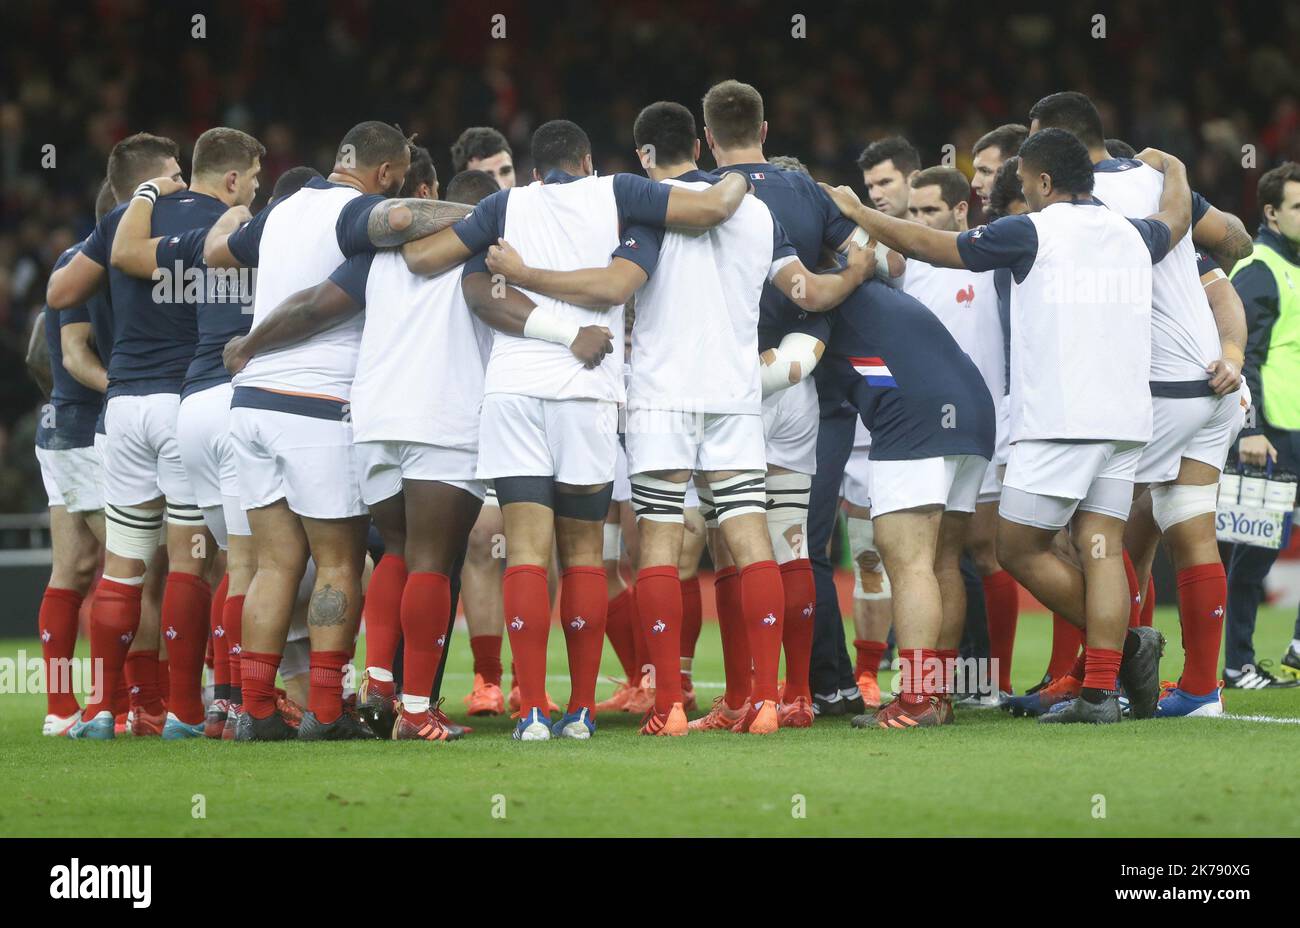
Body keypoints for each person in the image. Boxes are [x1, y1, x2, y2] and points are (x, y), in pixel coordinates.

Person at [823, 128, 1190, 724]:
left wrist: (858, 211)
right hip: (1127, 418)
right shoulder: (1132, 232)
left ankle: (1121, 651)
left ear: (1044, 183)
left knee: (1017, 548)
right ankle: (1100, 692)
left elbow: (934, 247)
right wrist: (1175, 166)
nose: (1017, 195)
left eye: (1022, 184)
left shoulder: (1031, 231)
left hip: (1061, 418)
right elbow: (1175, 218)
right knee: (1101, 549)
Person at [404, 117, 752, 740]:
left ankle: (533, 710)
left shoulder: (504, 206)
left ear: (535, 171)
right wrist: (741, 179)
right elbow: (710, 209)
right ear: (588, 161)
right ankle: (582, 714)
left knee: (526, 555)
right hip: (586, 391)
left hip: (512, 388)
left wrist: (462, 229)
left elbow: (422, 256)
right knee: (587, 554)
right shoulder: (619, 190)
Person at [47, 132, 223, 740]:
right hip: (182, 400)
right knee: (187, 566)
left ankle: (100, 708)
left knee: (121, 569)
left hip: (121, 410)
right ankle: (183, 711)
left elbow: (59, 294)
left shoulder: (120, 221)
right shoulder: (219, 217)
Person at [1225, 161, 1300, 688]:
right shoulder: (1258, 267)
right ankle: (1237, 663)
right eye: (1298, 206)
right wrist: (1249, 428)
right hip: (1270, 433)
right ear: (1271, 212)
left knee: (1261, 546)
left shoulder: (1292, 266)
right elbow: (1240, 352)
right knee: (1256, 549)